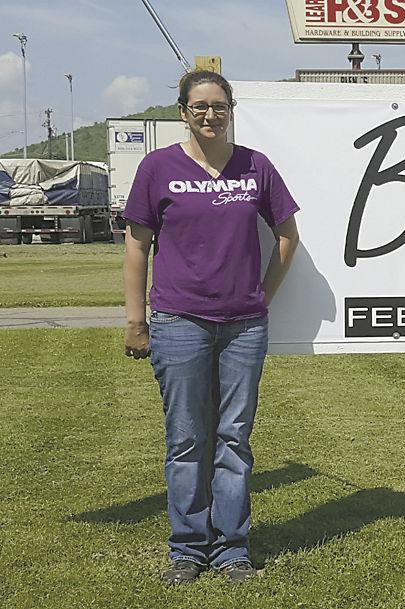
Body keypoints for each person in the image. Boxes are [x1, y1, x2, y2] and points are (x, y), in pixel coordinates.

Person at [122, 70, 300, 584]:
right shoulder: (158, 168)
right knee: (185, 439)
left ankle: (232, 550)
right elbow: (136, 245)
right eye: (199, 106)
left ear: (230, 110)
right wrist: (136, 319)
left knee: (234, 439)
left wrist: (261, 298)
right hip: (179, 322)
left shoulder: (255, 167)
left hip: (244, 327)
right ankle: (188, 548)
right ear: (183, 111)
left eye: (218, 106)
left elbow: (287, 236)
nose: (209, 114)